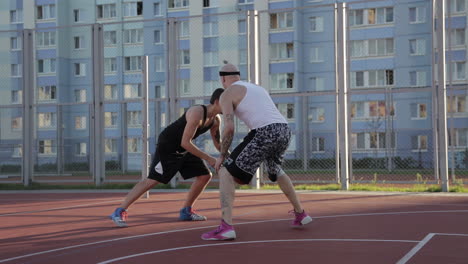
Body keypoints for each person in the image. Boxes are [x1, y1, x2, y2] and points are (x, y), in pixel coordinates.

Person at [201, 64, 312, 241]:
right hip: (284, 130)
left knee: (225, 171)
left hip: (264, 132)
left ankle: (226, 226)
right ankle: (300, 213)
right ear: (238, 76)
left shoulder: (226, 94)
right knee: (276, 171)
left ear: (222, 79)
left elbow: (228, 127)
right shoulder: (256, 88)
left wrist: (222, 154)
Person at [109, 88, 224, 227]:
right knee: (152, 181)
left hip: (184, 148)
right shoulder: (197, 113)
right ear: (217, 101)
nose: (232, 106)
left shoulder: (216, 120)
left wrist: (229, 156)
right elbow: (185, 142)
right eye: (229, 102)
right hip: (169, 146)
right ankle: (120, 210)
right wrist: (210, 159)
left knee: (205, 175)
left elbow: (218, 143)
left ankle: (186, 211)